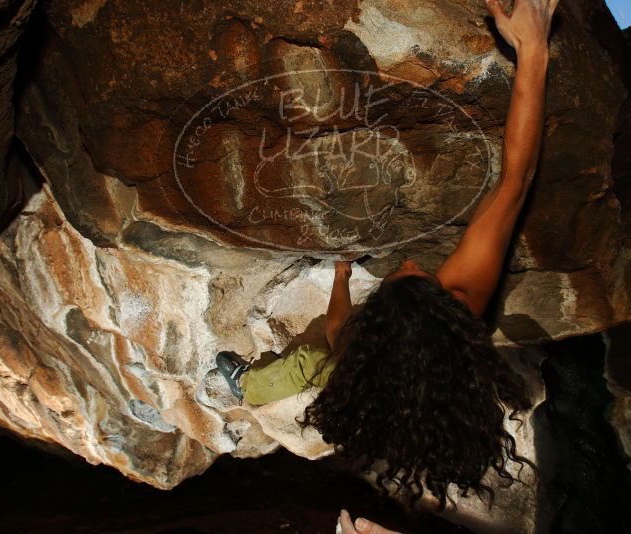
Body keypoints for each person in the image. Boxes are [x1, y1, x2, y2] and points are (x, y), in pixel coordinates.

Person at [215, 0, 559, 511]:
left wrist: (340, 276)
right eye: (415, 276)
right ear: (446, 306)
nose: (409, 264)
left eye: (403, 275)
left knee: (312, 363)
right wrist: (535, 53)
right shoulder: (463, 301)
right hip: (415, 385)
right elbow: (517, 180)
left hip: (374, 386)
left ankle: (249, 388)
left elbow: (337, 329)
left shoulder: (357, 356)